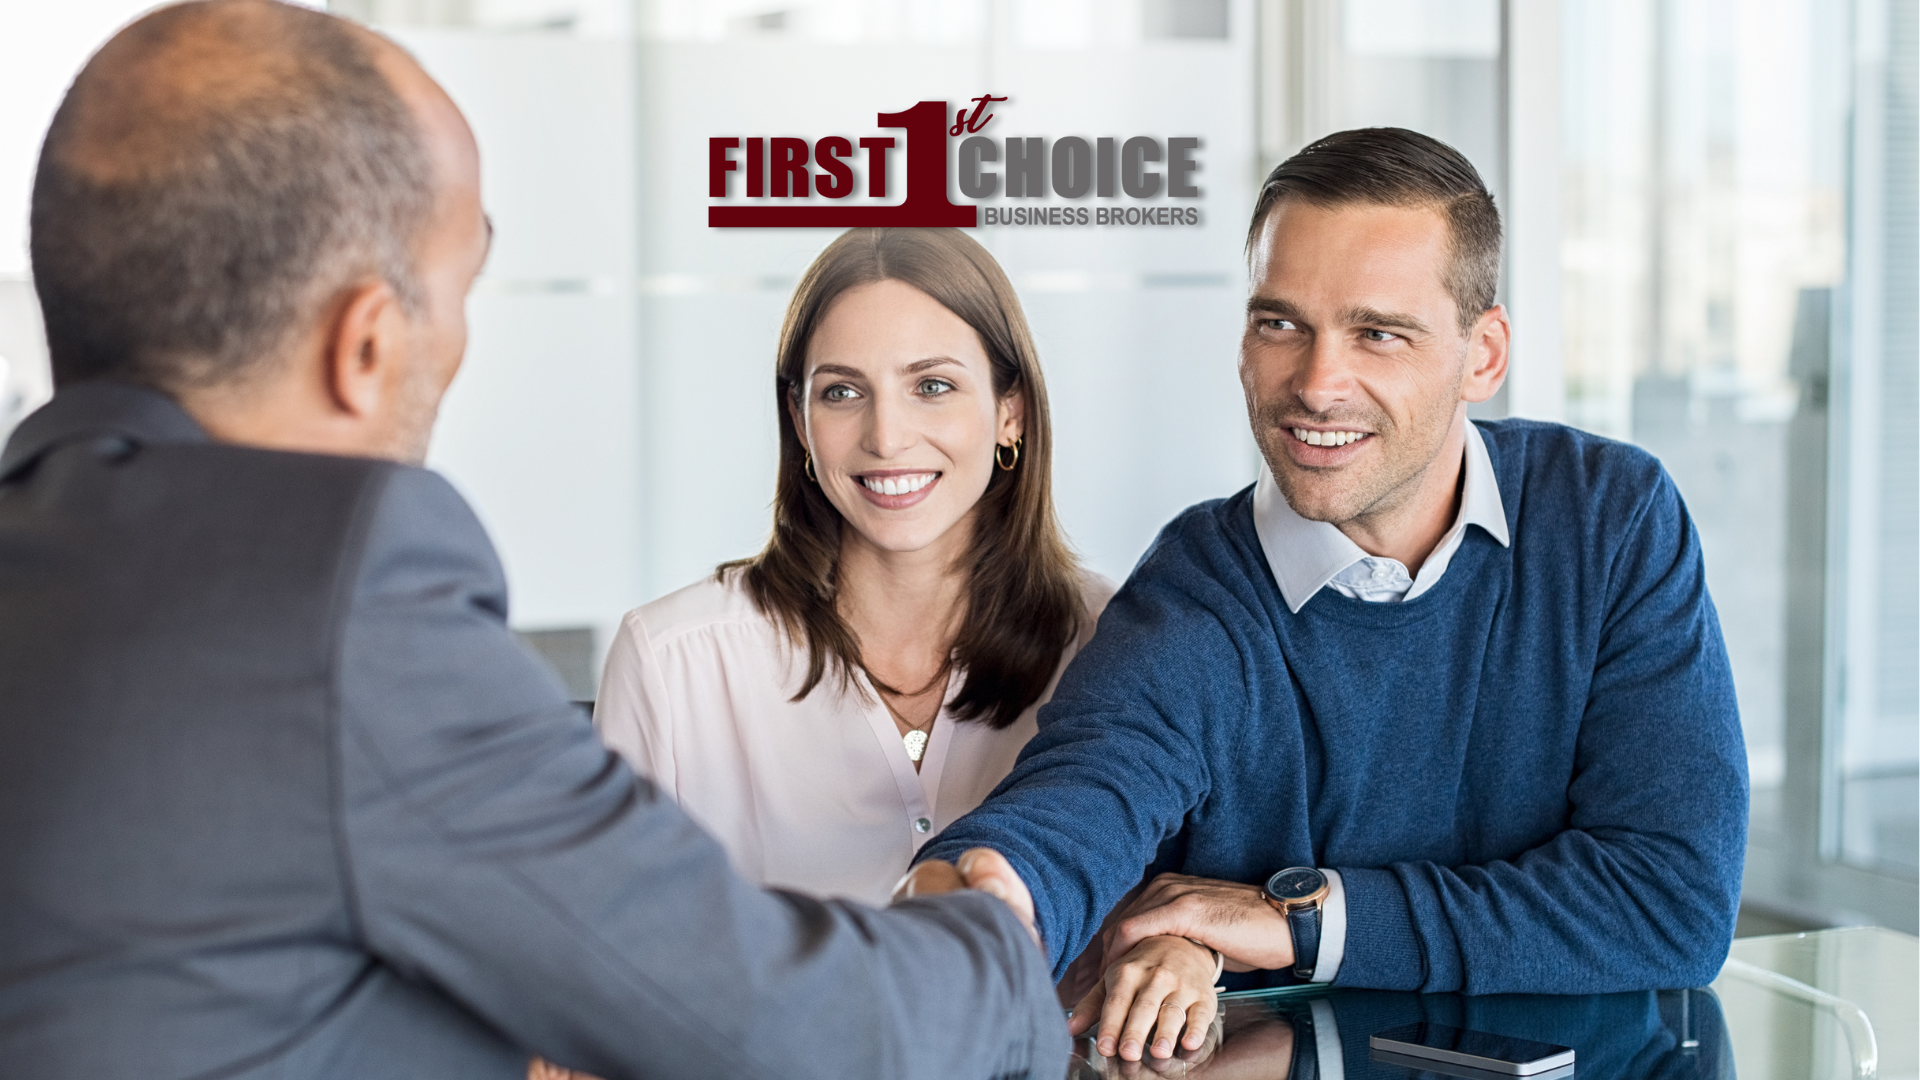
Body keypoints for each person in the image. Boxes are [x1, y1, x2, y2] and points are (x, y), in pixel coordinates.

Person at [0, 3, 1062, 1076]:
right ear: (365, 343)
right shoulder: (325, 597)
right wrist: (1005, 943)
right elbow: (760, 1012)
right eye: (460, 290)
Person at [906, 127, 1748, 1063]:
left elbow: (1671, 899)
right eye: (1281, 324)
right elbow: (1085, 796)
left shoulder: (1610, 521)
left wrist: (1298, 921)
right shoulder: (1198, 591)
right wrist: (991, 895)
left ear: (1483, 352)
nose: (1315, 383)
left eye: (1377, 333)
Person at [594, 227, 1114, 908]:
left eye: (932, 385)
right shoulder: (672, 664)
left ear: (1008, 413)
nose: (887, 437)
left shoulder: (1111, 640)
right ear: (801, 421)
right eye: (842, 392)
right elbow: (610, 968)